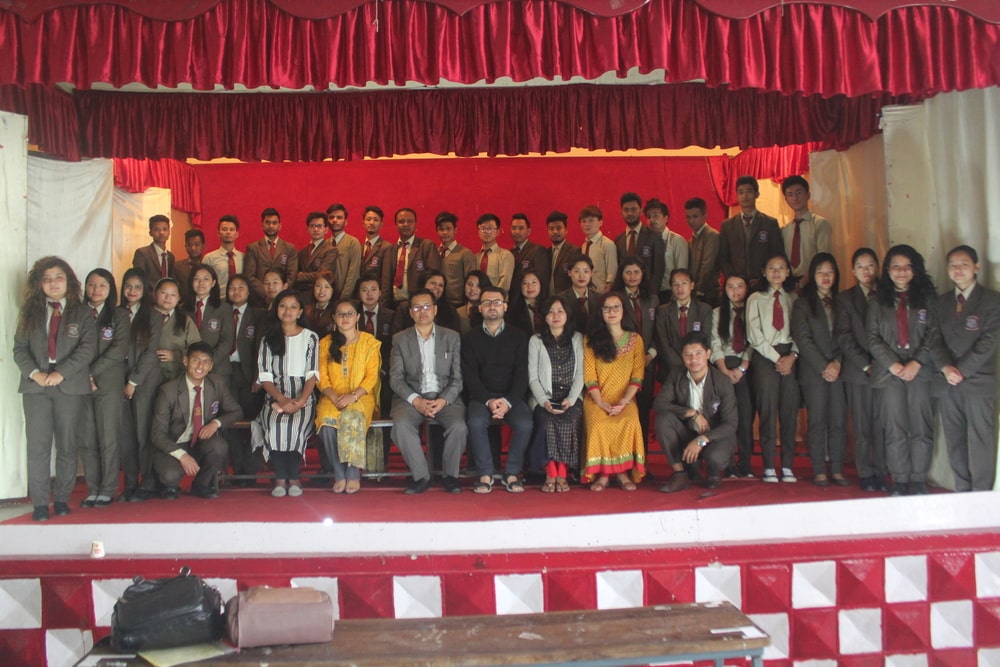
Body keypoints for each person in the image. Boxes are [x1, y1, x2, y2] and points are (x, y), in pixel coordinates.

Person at [14, 257, 96, 521]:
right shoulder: (30, 311)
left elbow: (87, 349)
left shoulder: (82, 312)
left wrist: (62, 373)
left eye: (58, 277)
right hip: (36, 387)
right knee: (38, 447)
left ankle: (61, 499)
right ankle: (40, 504)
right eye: (46, 279)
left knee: (67, 445)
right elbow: (19, 349)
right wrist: (35, 374)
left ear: (68, 281)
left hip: (69, 385)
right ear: (39, 284)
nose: (53, 283)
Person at [867, 244, 940, 496]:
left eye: (907, 266)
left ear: (916, 269)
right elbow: (873, 338)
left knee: (921, 427)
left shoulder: (928, 299)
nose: (901, 271)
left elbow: (933, 334)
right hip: (890, 372)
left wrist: (916, 362)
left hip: (921, 370)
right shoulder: (877, 301)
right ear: (887, 270)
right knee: (894, 428)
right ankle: (899, 480)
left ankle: (918, 480)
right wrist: (894, 364)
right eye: (895, 267)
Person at [934, 245, 1000, 492]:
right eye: (953, 265)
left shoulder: (992, 300)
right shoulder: (940, 302)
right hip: (947, 382)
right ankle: (962, 491)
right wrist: (946, 368)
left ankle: (981, 495)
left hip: (977, 381)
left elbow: (988, 342)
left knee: (981, 439)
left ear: (977, 267)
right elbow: (933, 340)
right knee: (955, 439)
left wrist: (960, 371)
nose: (958, 269)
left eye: (964, 264)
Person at [389, 289, 468, 494]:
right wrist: (416, 400)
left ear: (435, 309)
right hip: (411, 398)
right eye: (417, 308)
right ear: (410, 313)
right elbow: (396, 378)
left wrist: (443, 400)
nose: (422, 311)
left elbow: (458, 378)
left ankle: (450, 476)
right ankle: (422, 476)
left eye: (426, 306)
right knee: (401, 425)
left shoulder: (452, 337)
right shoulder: (400, 339)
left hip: (445, 397)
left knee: (459, 427)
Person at [462, 286, 533, 493]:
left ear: (505, 307)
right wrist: (489, 401)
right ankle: (485, 473)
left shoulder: (519, 337)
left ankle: (512, 472)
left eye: (497, 302)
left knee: (525, 424)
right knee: (475, 423)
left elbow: (522, 375)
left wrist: (508, 402)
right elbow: (470, 377)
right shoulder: (470, 338)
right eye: (487, 303)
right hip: (482, 397)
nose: (492, 306)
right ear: (479, 308)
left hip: (511, 397)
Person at [151, 342, 242, 499]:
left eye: (206, 362)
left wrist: (216, 423)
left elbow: (236, 411)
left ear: (211, 366)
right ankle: (168, 485)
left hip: (199, 442)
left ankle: (201, 485)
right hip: (174, 444)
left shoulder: (217, 383)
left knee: (219, 446)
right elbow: (157, 434)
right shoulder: (168, 390)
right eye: (195, 360)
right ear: (185, 361)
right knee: (171, 474)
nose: (200, 366)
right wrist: (182, 456)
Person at [252, 289, 319, 498]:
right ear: (276, 310)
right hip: (275, 394)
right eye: (283, 306)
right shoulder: (268, 339)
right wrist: (281, 399)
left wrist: (301, 401)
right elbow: (265, 376)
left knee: (296, 427)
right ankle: (280, 477)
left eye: (293, 307)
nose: (288, 311)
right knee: (275, 426)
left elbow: (312, 374)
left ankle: (294, 477)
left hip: (303, 395)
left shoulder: (310, 337)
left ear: (300, 311)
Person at [655, 332, 738, 492]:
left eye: (698, 353)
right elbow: (659, 403)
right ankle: (680, 474)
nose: (693, 359)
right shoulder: (677, 374)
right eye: (688, 355)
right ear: (682, 356)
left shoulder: (722, 381)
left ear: (708, 354)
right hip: (688, 431)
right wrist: (692, 413)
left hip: (714, 435)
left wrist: (702, 440)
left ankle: (713, 472)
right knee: (663, 419)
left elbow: (731, 424)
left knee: (715, 457)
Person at [791, 253, 848, 486]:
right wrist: (825, 366)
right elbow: (803, 339)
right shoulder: (802, 304)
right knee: (817, 421)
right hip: (814, 372)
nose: (825, 276)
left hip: (839, 369)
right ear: (812, 275)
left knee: (838, 421)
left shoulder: (843, 302)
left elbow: (847, 337)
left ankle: (837, 468)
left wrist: (838, 363)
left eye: (830, 271)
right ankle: (818, 469)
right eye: (820, 272)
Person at [582, 292, 646, 491]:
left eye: (616, 307)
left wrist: (624, 401)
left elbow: (637, 376)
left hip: (625, 399)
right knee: (599, 425)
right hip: (596, 399)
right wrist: (601, 402)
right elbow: (589, 376)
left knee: (629, 422)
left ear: (624, 310)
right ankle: (603, 474)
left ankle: (622, 473)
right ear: (600, 312)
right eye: (606, 308)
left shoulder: (635, 340)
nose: (611, 312)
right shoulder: (590, 340)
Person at [316, 299, 382, 494]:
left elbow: (372, 376)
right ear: (334, 318)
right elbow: (321, 376)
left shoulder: (369, 342)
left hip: (361, 396)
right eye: (340, 314)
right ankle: (339, 473)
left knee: (352, 418)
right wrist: (333, 396)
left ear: (357, 317)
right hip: (332, 396)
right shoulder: (325, 343)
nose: (345, 318)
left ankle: (352, 474)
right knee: (326, 423)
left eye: (350, 314)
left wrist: (353, 396)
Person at [746, 253, 799, 484]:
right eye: (771, 268)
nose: (776, 272)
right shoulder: (755, 298)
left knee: (789, 412)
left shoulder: (795, 298)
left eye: (781, 268)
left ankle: (787, 465)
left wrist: (793, 356)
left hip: (791, 356)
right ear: (764, 272)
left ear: (788, 272)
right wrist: (778, 358)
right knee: (767, 411)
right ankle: (769, 465)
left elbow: (802, 331)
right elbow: (754, 335)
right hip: (765, 356)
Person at [835, 248, 884, 491]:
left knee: (882, 424)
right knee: (862, 426)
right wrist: (866, 364)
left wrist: (883, 363)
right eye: (860, 266)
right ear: (853, 271)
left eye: (870, 265)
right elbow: (844, 337)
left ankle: (882, 471)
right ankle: (866, 473)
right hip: (858, 371)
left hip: (886, 370)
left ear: (877, 267)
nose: (866, 271)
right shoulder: (845, 299)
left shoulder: (887, 294)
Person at [81, 268, 129, 508]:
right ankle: (93, 488)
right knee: (87, 438)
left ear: (111, 289)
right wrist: (82, 374)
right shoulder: (78, 313)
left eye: (102, 285)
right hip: (80, 384)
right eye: (91, 284)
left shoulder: (119, 315)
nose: (96, 289)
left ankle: (108, 488)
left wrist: (91, 371)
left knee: (108, 438)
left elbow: (119, 350)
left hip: (108, 383)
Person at [527, 295, 584, 493]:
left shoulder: (577, 338)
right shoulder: (536, 340)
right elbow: (533, 378)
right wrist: (544, 401)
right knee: (547, 423)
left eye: (560, 311)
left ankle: (563, 472)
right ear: (544, 316)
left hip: (571, 397)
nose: (556, 315)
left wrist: (571, 398)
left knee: (570, 422)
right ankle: (551, 472)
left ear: (567, 314)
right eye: (551, 312)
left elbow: (581, 374)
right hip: (544, 398)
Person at [118, 268, 162, 502]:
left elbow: (151, 352)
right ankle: (130, 482)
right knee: (126, 435)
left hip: (144, 381)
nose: (132, 291)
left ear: (145, 290)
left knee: (143, 433)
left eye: (137, 287)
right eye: (128, 286)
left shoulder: (153, 316)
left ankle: (147, 482)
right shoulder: (116, 313)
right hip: (118, 380)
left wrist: (133, 381)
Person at [710, 273, 755, 478]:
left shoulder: (753, 310)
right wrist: (724, 370)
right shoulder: (717, 313)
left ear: (747, 288)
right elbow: (715, 343)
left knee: (745, 417)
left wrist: (742, 368)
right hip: (723, 366)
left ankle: (745, 463)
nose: (735, 291)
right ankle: (727, 464)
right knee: (726, 416)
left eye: (740, 286)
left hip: (746, 365)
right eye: (730, 286)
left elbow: (754, 341)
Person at [611, 258, 659, 448]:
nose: (632, 276)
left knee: (643, 410)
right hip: (621, 364)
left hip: (647, 362)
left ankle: (642, 456)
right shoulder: (614, 298)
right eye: (628, 272)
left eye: (636, 272)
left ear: (643, 274)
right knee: (623, 408)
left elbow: (658, 332)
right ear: (621, 275)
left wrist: (651, 354)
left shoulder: (652, 299)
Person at [225, 274, 265, 485]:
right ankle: (237, 472)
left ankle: (250, 472)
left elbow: (261, 347)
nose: (236, 291)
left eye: (241, 287)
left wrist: (259, 376)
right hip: (226, 373)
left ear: (249, 292)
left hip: (249, 374)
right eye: (232, 287)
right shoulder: (223, 312)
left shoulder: (258, 314)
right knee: (231, 421)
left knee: (252, 423)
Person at [719, 176, 783, 291]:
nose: (745, 196)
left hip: (764, 284)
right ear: (737, 196)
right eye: (741, 192)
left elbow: (776, 255)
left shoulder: (770, 223)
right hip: (736, 286)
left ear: (757, 194)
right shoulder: (727, 225)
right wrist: (735, 279)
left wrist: (763, 278)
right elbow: (723, 257)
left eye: (749, 191)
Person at [654, 269, 713, 381]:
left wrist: (692, 363)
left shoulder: (704, 309)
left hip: (697, 366)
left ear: (692, 285)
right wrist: (679, 366)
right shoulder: (662, 311)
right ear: (671, 287)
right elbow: (663, 343)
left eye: (684, 283)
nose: (679, 288)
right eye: (675, 284)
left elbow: (706, 340)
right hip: (670, 368)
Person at [781, 176, 832, 288]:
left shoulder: (820, 224)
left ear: (808, 195)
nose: (795, 198)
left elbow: (823, 257)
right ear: (786, 200)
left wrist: (805, 280)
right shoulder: (785, 230)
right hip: (790, 284)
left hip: (814, 281)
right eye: (790, 194)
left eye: (799, 193)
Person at [186, 264, 235, 377]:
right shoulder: (183, 309)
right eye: (196, 279)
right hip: (189, 369)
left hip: (218, 369)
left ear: (213, 283)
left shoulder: (224, 308)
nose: (201, 283)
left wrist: (207, 362)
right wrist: (192, 362)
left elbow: (226, 340)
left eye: (206, 279)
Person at [388, 207, 441, 307]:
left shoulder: (426, 246)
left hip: (418, 304)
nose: (405, 224)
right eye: (401, 221)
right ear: (396, 225)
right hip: (394, 304)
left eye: (410, 221)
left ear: (415, 224)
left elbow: (433, 277)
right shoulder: (391, 249)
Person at [152, 277, 201, 383]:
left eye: (173, 294)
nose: (168, 297)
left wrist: (176, 355)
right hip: (147, 376)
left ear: (178, 298)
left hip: (176, 376)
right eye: (163, 292)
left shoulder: (185, 320)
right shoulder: (143, 317)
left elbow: (197, 349)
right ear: (155, 293)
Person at [614, 193, 665, 296]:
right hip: (624, 296)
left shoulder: (654, 237)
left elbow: (658, 271)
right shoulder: (618, 240)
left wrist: (652, 296)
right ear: (621, 212)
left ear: (641, 211)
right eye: (626, 210)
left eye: (633, 209)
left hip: (648, 294)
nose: (630, 213)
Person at [244, 207, 298, 304]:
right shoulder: (253, 248)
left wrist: (280, 293)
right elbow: (250, 276)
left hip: (283, 298)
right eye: (268, 223)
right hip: (259, 299)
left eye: (274, 223)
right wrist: (266, 293)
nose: (271, 226)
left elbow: (292, 275)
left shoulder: (290, 248)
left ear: (280, 226)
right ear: (262, 225)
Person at [643, 198, 687, 304]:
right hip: (650, 294)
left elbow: (682, 271)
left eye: (656, 215)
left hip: (671, 294)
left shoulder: (677, 241)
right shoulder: (645, 243)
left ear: (666, 218)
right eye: (648, 217)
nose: (651, 220)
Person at [436, 211, 477, 308]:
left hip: (458, 304)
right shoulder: (434, 252)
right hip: (437, 302)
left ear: (455, 230)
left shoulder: (465, 253)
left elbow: (471, 281)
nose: (445, 232)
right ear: (437, 231)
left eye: (448, 229)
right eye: (441, 229)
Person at [685, 197, 721, 307]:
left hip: (708, 294)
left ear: (705, 215)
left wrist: (698, 289)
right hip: (695, 292)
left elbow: (707, 265)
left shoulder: (712, 235)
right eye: (688, 217)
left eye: (695, 216)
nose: (691, 221)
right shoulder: (691, 240)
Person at [295, 211, 339, 297]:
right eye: (312, 226)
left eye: (319, 226)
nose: (315, 229)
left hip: (320, 293)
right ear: (307, 229)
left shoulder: (331, 250)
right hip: (301, 293)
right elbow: (294, 272)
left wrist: (301, 276)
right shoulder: (302, 252)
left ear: (326, 230)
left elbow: (321, 274)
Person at [510, 213, 551, 301]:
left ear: (528, 231)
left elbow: (542, 281)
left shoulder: (538, 251)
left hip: (530, 301)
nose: (517, 231)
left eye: (521, 228)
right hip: (512, 301)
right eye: (514, 228)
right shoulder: (508, 254)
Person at [559, 253, 601, 335]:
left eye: (586, 271)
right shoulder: (560, 299)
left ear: (591, 273)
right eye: (577, 271)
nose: (582, 276)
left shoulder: (600, 299)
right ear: (569, 272)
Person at [327, 203, 363, 300]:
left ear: (345, 222)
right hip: (325, 297)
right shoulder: (324, 244)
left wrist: (344, 298)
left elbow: (353, 274)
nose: (335, 220)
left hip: (345, 298)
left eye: (339, 217)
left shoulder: (353, 243)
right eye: (331, 217)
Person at [578, 205, 617, 293]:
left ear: (600, 222)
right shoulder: (584, 246)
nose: (587, 224)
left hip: (601, 293)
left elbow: (612, 275)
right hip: (586, 293)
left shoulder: (607, 244)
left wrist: (606, 295)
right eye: (583, 221)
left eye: (591, 220)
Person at [132, 214, 175, 292]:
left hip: (167, 297)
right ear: (150, 233)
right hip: (149, 297)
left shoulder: (171, 256)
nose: (161, 232)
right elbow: (139, 280)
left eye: (165, 229)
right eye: (157, 229)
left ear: (169, 232)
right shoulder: (142, 253)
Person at [203, 214, 244, 293]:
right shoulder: (209, 258)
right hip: (218, 299)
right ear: (218, 233)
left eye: (231, 229)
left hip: (239, 298)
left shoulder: (244, 257)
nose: (228, 232)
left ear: (236, 234)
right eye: (224, 229)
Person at [359, 205, 394, 298]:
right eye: (368, 219)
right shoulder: (358, 247)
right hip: (359, 297)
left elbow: (386, 280)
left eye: (376, 220)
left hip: (376, 298)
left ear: (381, 224)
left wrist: (383, 302)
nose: (371, 222)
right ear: (363, 223)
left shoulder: (386, 247)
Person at [475, 213, 515, 292]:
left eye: (490, 228)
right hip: (477, 298)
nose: (486, 232)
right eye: (483, 228)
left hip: (497, 298)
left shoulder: (505, 255)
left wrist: (490, 297)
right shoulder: (475, 257)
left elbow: (504, 284)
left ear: (498, 232)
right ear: (478, 231)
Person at [546, 211, 579, 295]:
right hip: (548, 299)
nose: (555, 232)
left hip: (567, 299)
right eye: (551, 229)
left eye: (559, 228)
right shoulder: (545, 253)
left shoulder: (574, 251)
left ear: (566, 230)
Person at [174, 229, 206, 306]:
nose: (193, 248)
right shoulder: (177, 266)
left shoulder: (209, 265)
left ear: (203, 246)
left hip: (205, 306)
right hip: (183, 307)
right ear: (185, 246)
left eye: (197, 244)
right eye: (189, 245)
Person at [508, 270, 546, 336]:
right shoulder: (513, 310)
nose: (530, 286)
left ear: (540, 284)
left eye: (534, 282)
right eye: (525, 283)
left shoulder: (549, 306)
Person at [457, 270, 491, 335]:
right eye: (469, 284)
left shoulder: (490, 311)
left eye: (478, 285)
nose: (472, 289)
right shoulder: (457, 313)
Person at [304, 270, 337, 336]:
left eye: (326, 287)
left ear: (333, 290)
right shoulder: (305, 310)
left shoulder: (336, 312)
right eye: (318, 286)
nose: (322, 290)